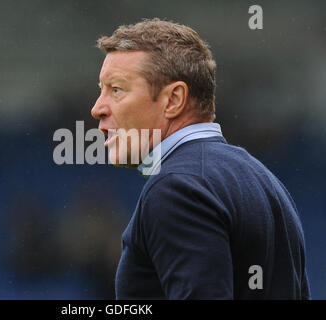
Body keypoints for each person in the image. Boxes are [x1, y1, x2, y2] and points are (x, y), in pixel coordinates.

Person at [90, 18, 310, 299]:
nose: (97, 108)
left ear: (173, 100)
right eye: (101, 89)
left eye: (116, 89)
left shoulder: (177, 188)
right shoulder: (264, 180)